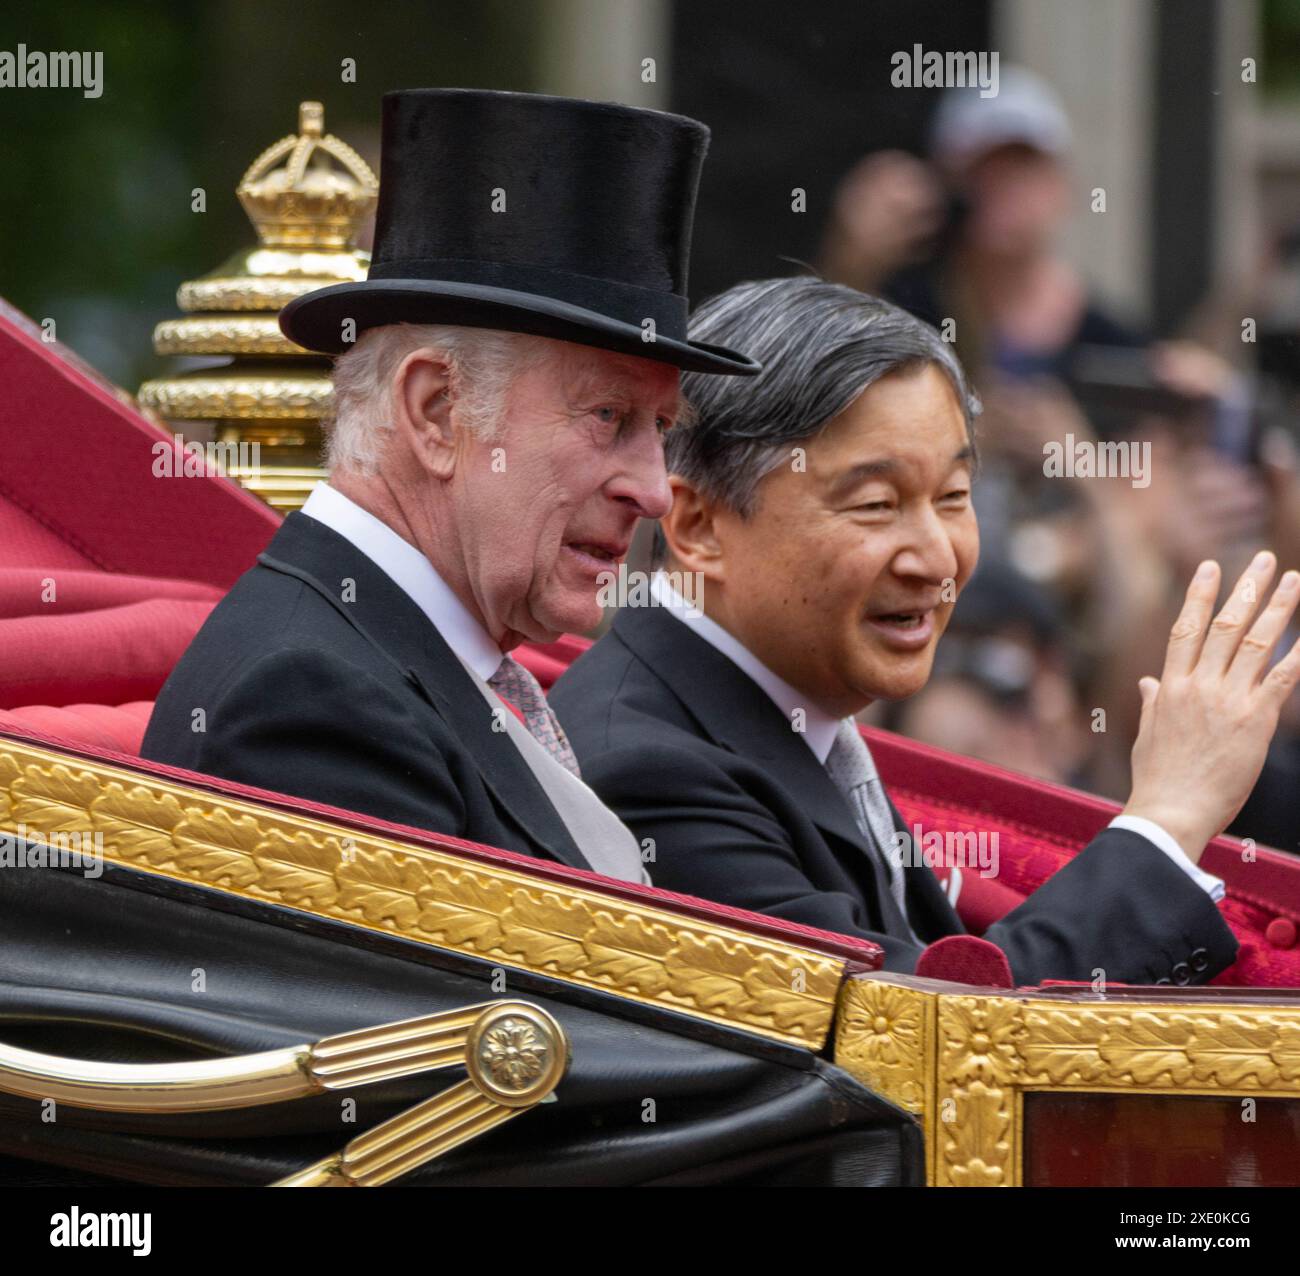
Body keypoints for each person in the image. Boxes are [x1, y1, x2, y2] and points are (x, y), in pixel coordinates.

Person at [551, 277, 1300, 981]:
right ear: (698, 525)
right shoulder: (649, 771)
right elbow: (929, 1041)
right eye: (877, 503)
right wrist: (1170, 817)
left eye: (953, 496)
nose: (937, 556)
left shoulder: (788, 713)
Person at [142, 89, 758, 883]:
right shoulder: (312, 702)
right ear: (436, 411)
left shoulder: (407, 655)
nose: (654, 492)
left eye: (661, 428)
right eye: (608, 415)